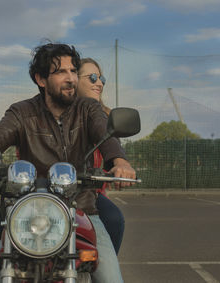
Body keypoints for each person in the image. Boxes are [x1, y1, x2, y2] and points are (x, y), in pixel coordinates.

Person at [0, 43, 135, 283]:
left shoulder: (88, 109)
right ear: (41, 79)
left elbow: (105, 134)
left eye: (73, 71)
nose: (70, 78)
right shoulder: (22, 112)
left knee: (112, 279)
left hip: (80, 209)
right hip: (29, 214)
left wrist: (120, 161)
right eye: (61, 72)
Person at [77, 57, 125, 255]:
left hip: (90, 193)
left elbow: (112, 147)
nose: (99, 83)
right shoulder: (55, 114)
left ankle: (101, 266)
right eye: (93, 77)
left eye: (101, 79)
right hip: (50, 191)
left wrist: (119, 162)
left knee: (114, 219)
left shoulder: (105, 116)